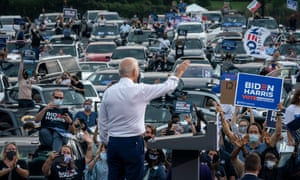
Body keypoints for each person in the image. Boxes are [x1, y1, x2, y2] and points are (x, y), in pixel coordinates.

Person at [98, 58, 190, 180]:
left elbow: (102, 121)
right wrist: (178, 73)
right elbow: (168, 87)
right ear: (135, 72)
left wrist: (107, 141)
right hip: (133, 142)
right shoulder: (139, 90)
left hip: (114, 142)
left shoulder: (109, 92)